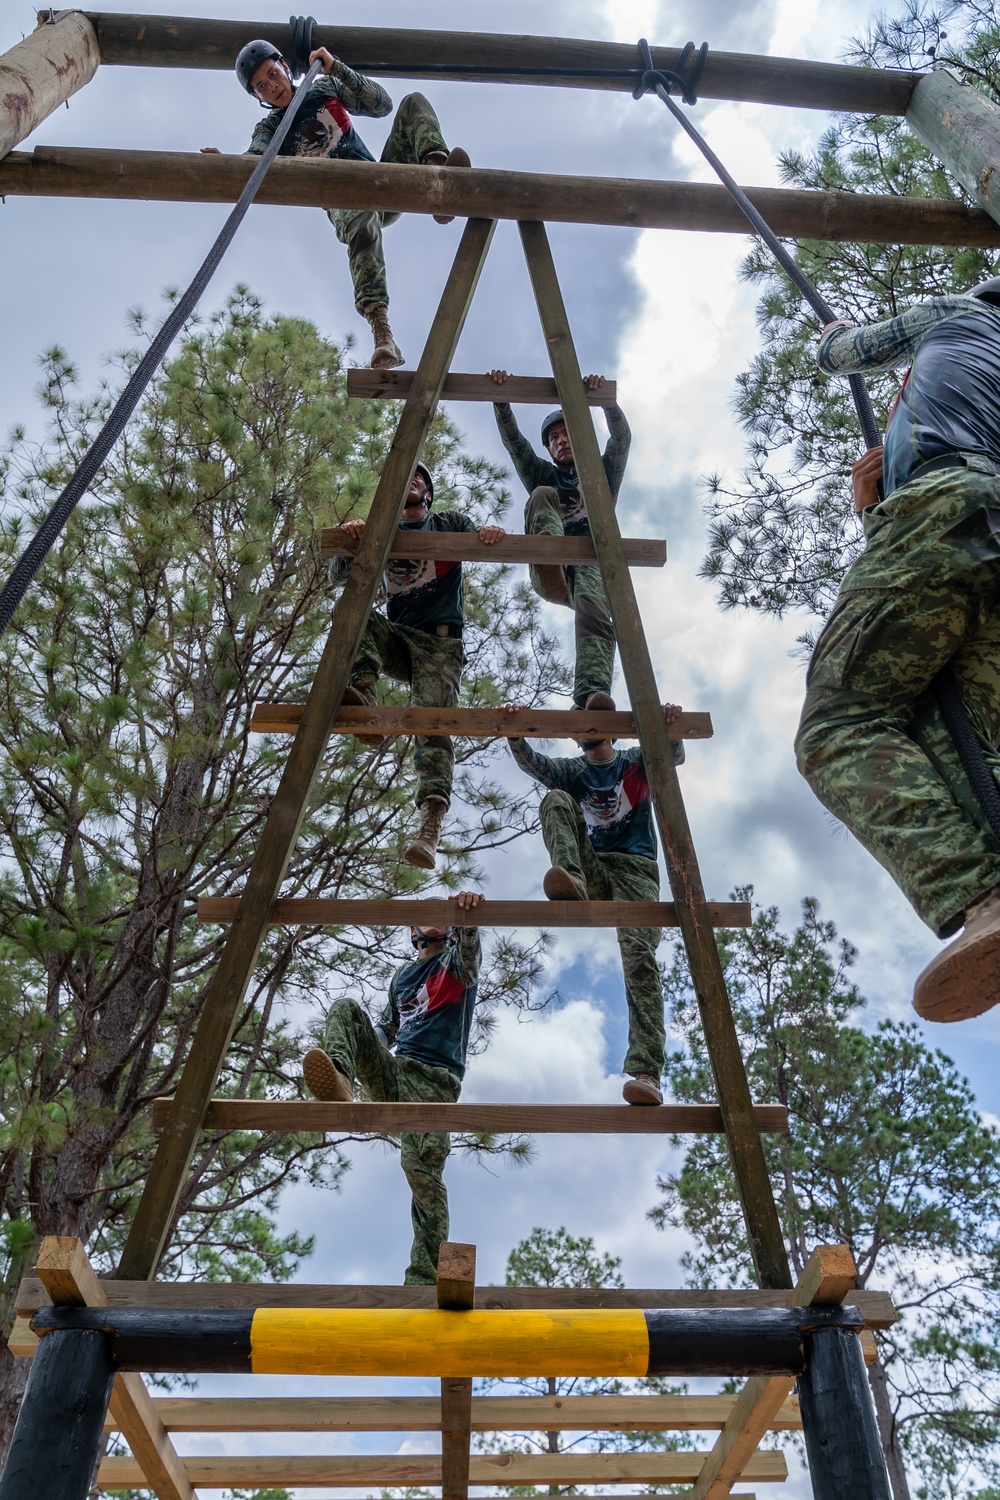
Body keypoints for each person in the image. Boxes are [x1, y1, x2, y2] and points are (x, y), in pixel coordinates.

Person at [795, 279, 1000, 1024]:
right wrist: (875, 508)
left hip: (947, 510)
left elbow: (843, 354)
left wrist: (834, 336)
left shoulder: (961, 313)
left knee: (839, 728)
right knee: (959, 736)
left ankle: (982, 893)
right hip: (974, 525)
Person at [202, 42, 471, 370]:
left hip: (382, 181)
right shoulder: (272, 129)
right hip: (345, 201)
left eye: (272, 75)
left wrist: (336, 68)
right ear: (257, 96)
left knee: (413, 102)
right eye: (262, 86)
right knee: (361, 220)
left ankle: (438, 183)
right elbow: (254, 162)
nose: (271, 86)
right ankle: (381, 330)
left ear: (285, 67)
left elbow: (381, 105)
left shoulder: (324, 88)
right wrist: (226, 165)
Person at [504, 699, 684, 1104]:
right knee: (553, 798)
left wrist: (666, 722)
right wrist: (515, 735)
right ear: (574, 734)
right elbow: (537, 765)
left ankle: (647, 1070)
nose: (590, 731)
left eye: (597, 721)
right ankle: (572, 879)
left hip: (636, 873)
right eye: (582, 724)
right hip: (595, 870)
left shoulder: (635, 761)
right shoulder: (573, 771)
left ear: (613, 729)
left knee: (639, 958)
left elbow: (671, 753)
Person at [303, 891, 485, 1285]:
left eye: (443, 913)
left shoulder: (454, 963)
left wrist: (468, 917)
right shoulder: (402, 978)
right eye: (426, 914)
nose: (435, 918)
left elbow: (470, 959)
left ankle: (424, 1276)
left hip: (435, 1084)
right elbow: (387, 1030)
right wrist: (369, 1051)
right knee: (347, 1010)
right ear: (413, 930)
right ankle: (340, 1078)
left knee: (421, 1171)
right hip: (397, 1072)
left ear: (450, 928)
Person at [330, 462, 505, 869]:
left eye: (419, 476)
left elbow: (483, 540)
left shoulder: (445, 522)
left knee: (433, 727)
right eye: (404, 475)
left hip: (440, 646)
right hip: (401, 637)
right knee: (353, 613)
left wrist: (490, 534)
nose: (412, 479)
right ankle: (365, 699)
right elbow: (339, 576)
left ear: (428, 490)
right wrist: (351, 537)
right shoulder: (382, 532)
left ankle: (430, 825)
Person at [488, 370, 631, 712]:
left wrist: (606, 404)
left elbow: (621, 440)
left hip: (591, 567)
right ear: (549, 448)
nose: (561, 441)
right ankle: (549, 552)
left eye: (567, 433)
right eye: (553, 438)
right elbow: (515, 446)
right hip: (550, 569)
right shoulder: (544, 474)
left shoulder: (602, 472)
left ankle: (591, 695)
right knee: (541, 493)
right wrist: (501, 400)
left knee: (594, 610)